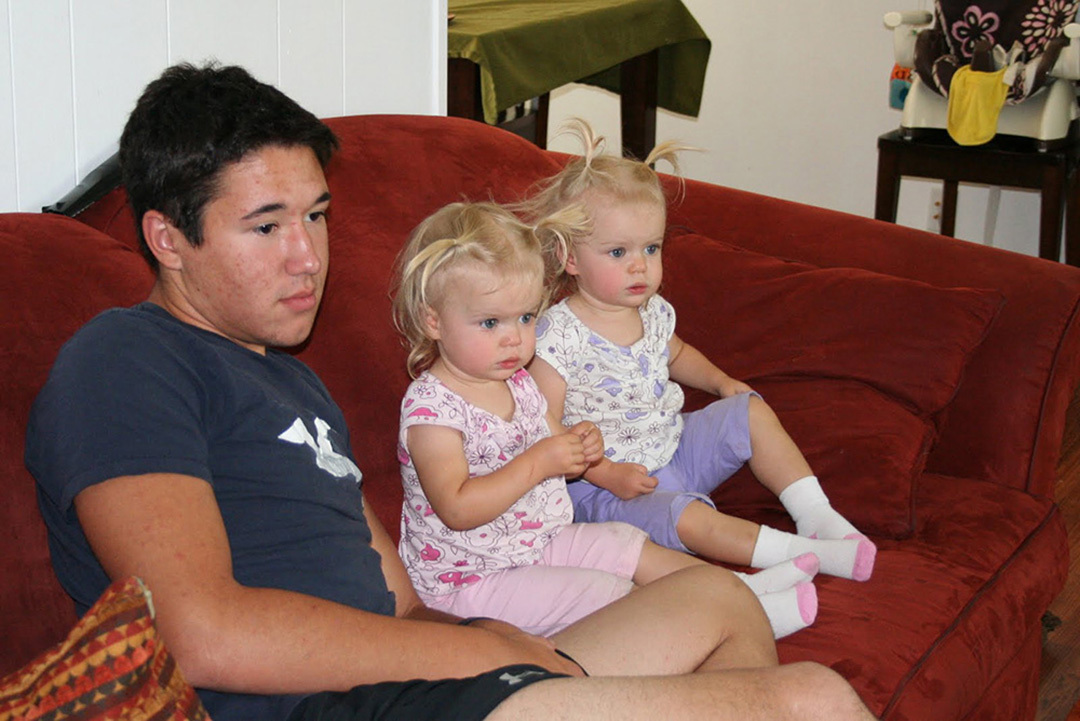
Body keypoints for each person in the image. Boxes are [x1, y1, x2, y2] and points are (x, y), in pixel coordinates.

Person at [24, 62, 877, 721]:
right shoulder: (125, 361)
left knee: (716, 598)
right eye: (267, 225)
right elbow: (199, 631)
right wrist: (465, 658)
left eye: (317, 215)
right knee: (812, 699)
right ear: (167, 239)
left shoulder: (295, 383)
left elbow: (398, 595)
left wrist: (483, 640)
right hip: (340, 704)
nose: (308, 256)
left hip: (425, 680)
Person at [393, 200, 818, 640]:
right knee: (609, 592)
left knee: (626, 544)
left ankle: (740, 592)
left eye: (525, 318)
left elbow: (551, 436)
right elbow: (458, 507)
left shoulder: (516, 381)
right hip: (470, 583)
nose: (514, 338)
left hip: (537, 542)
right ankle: (736, 622)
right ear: (434, 321)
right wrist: (541, 462)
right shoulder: (432, 410)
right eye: (489, 322)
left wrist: (584, 447)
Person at [525, 121, 878, 583]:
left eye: (651, 248)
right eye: (617, 252)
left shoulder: (651, 311)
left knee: (748, 410)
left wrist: (719, 383)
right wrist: (606, 473)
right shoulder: (557, 334)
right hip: (608, 491)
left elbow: (677, 354)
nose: (640, 265)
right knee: (686, 515)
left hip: (675, 448)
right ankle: (787, 558)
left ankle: (816, 515)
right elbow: (542, 425)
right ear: (570, 257)